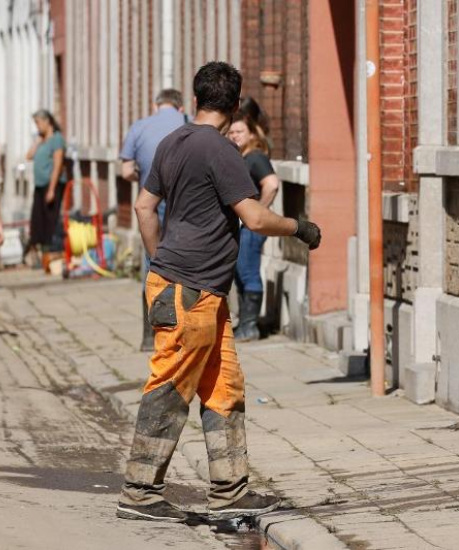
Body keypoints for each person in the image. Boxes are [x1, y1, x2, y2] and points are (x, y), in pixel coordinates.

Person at [116, 61, 321, 523]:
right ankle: (140, 491)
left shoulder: (172, 143)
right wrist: (300, 227)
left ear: (195, 101)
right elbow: (255, 218)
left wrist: (160, 260)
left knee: (224, 385)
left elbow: (144, 207)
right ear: (233, 106)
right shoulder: (222, 150)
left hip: (192, 286)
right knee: (170, 385)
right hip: (192, 290)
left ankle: (230, 489)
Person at [120, 89, 187, 352]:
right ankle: (182, 328)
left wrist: (144, 176)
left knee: (153, 265)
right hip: (183, 205)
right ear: (180, 107)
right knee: (183, 263)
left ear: (155, 105)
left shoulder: (138, 127)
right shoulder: (188, 124)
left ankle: (150, 335)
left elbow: (126, 171)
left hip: (151, 204)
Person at [227, 111, 280, 341]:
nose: (234, 136)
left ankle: (250, 326)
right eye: (231, 132)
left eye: (239, 132)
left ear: (251, 134)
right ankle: (245, 323)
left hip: (253, 227)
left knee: (248, 272)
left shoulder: (256, 157)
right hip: (245, 225)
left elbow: (272, 184)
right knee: (240, 272)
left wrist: (260, 211)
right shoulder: (243, 156)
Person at [25, 110, 66, 272]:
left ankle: (50, 257)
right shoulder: (41, 141)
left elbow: (57, 164)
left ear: (47, 121)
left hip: (52, 185)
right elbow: (28, 156)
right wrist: (37, 140)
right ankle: (43, 257)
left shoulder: (57, 139)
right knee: (37, 221)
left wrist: (51, 189)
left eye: (38, 123)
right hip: (39, 185)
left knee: (50, 221)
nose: (37, 126)